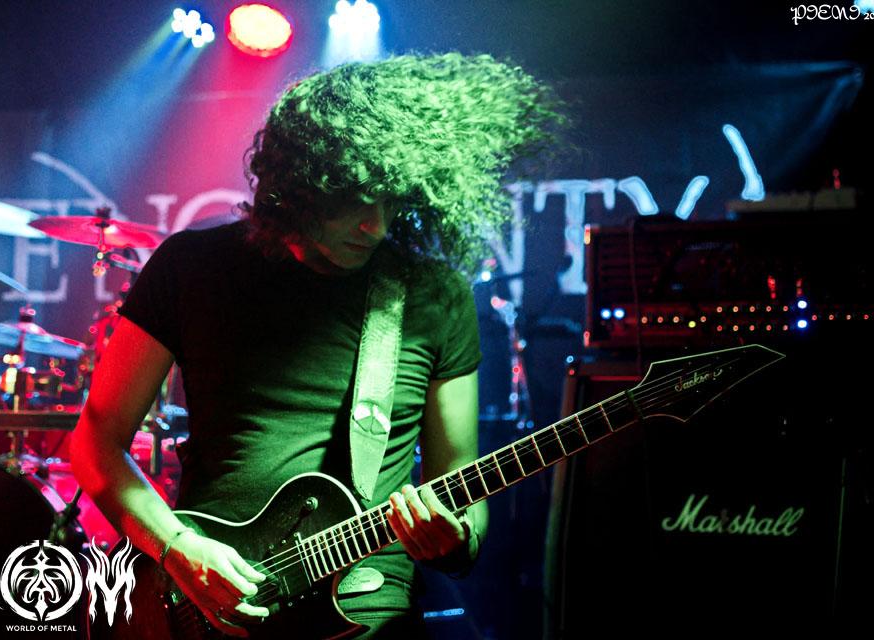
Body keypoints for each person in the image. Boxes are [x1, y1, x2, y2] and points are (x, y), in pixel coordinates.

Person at [72, 52, 564, 638]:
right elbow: (96, 441)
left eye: (391, 200)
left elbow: (458, 473)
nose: (376, 226)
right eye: (355, 199)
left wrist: (457, 538)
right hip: (202, 607)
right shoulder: (192, 267)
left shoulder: (434, 296)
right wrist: (178, 548)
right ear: (302, 184)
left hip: (368, 613)